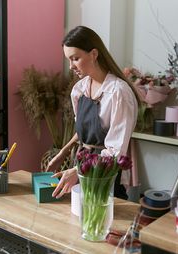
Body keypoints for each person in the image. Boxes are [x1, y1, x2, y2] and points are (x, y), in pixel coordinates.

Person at [46, 26, 139, 200]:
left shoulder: (118, 93)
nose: (71, 66)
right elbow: (83, 132)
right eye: (69, 60)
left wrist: (78, 170)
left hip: (105, 171)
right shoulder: (79, 90)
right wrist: (63, 152)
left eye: (75, 58)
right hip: (80, 162)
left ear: (94, 54)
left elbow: (115, 151)